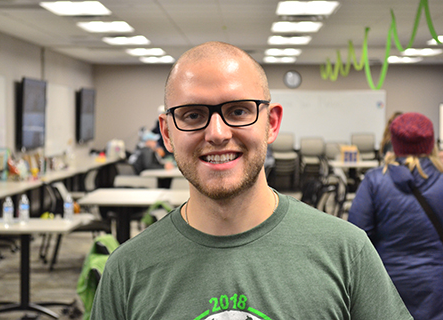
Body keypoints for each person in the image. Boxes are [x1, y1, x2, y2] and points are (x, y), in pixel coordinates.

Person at [91, 41, 412, 319]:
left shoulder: (347, 252)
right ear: (167, 132)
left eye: (239, 111)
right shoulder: (127, 271)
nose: (217, 133)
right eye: (192, 115)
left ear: (271, 123)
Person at [348, 112, 443, 320]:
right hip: (436, 287)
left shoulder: (374, 181)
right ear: (431, 143)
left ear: (394, 143)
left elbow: (355, 238)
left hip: (386, 286)